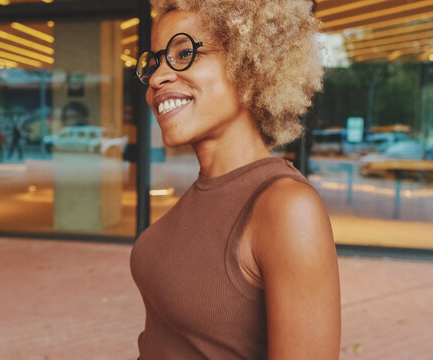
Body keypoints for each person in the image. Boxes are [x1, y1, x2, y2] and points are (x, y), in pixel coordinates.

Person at [130, 1, 341, 359]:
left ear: (250, 65)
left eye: (184, 53)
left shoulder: (287, 207)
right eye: (155, 61)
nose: (156, 78)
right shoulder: (203, 191)